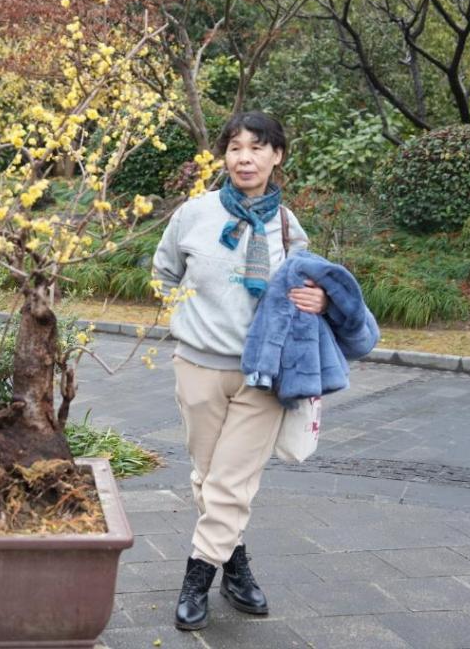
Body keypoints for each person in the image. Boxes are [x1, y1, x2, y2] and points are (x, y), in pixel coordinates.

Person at [151, 111, 327, 631]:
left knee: (230, 483)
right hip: (198, 367)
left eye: (257, 147)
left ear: (278, 156)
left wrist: (317, 300)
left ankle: (196, 579)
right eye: (234, 147)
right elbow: (162, 273)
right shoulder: (193, 214)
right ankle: (238, 565)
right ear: (223, 156)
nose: (244, 157)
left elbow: (310, 294)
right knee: (211, 478)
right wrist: (187, 317)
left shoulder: (291, 230)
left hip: (264, 378)